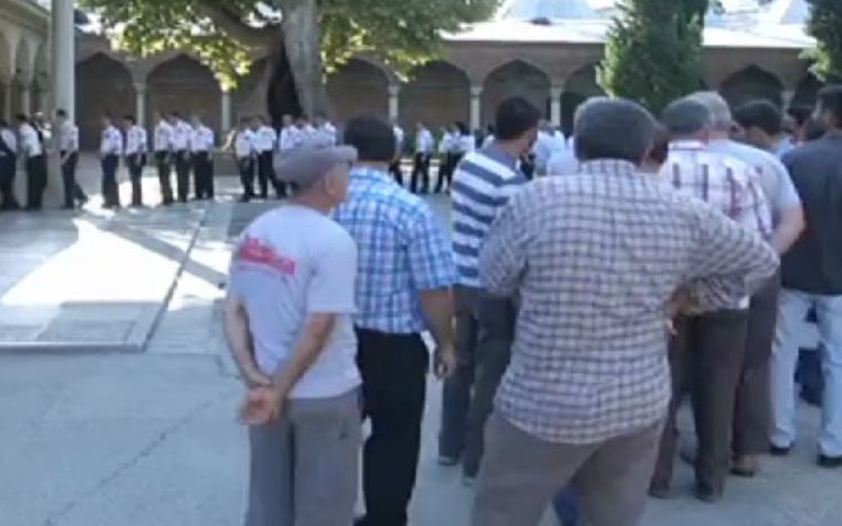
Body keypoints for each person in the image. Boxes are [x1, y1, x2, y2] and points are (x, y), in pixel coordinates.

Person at [472, 97, 778, 526]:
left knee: (502, 512)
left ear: (577, 148)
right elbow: (761, 260)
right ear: (643, 151)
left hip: (542, 401)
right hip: (635, 403)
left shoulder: (537, 200)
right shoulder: (681, 210)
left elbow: (494, 279)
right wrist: (690, 300)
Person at [224, 143, 362, 526]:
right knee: (325, 507)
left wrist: (254, 376)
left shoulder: (257, 231)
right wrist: (277, 391)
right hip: (324, 393)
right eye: (345, 171)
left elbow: (234, 310)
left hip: (266, 387)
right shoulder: (333, 241)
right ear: (328, 182)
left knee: (269, 505)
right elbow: (318, 328)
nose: (349, 178)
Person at [333, 115, 458, 526]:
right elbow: (434, 288)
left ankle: (323, 512)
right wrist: (446, 342)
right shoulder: (409, 210)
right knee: (394, 439)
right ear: (395, 154)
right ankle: (383, 518)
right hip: (393, 347)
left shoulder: (324, 204)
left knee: (330, 438)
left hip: (329, 341)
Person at [651, 97, 771, 503]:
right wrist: (728, 293)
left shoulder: (652, 172)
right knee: (719, 390)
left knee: (661, 389)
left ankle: (658, 476)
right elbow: (758, 249)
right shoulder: (740, 171)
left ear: (667, 131)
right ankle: (712, 479)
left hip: (663, 302)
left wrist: (678, 298)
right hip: (725, 306)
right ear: (707, 131)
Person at [693, 93, 805, 478]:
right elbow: (792, 220)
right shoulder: (765, 163)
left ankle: (700, 452)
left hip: (689, 278)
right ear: (731, 124)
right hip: (756, 273)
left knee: (694, 363)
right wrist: (764, 263)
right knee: (752, 362)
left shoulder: (673, 162)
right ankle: (745, 451)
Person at [439, 96, 540, 484]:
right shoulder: (510, 180)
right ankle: (476, 460)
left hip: (461, 275)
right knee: (490, 373)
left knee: (459, 364)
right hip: (492, 288)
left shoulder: (471, 162)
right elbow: (517, 241)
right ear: (530, 134)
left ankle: (450, 445)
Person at [773, 84, 842, 469]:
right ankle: (835, 444)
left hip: (793, 269)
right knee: (840, 358)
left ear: (832, 115)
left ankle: (778, 433)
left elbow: (778, 213)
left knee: (782, 352)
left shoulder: (796, 160)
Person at [56, 109, 88, 210]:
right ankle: (79, 197)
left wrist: (65, 158)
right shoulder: (63, 127)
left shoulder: (69, 127)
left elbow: (72, 144)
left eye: (58, 117)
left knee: (68, 179)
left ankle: (70, 202)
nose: (57, 120)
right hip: (67, 153)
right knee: (69, 179)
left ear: (62, 116)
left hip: (69, 154)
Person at [17, 113, 45, 210]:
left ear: (19, 121)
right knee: (36, 181)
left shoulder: (23, 129)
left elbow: (25, 145)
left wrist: (21, 157)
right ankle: (37, 203)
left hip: (32, 157)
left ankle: (31, 204)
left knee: (32, 182)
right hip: (38, 155)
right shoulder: (31, 128)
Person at [98, 115, 123, 209]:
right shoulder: (104, 132)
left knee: (110, 178)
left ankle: (113, 200)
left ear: (109, 120)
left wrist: (107, 152)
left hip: (112, 157)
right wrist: (100, 152)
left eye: (105, 120)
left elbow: (116, 146)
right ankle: (107, 199)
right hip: (105, 157)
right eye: (102, 120)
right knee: (106, 179)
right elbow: (104, 144)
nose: (103, 122)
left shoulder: (115, 132)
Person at [123, 115, 148, 208]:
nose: (124, 124)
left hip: (137, 155)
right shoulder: (128, 132)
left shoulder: (138, 130)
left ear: (130, 121)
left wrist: (139, 156)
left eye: (126, 122)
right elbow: (128, 146)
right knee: (133, 178)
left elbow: (142, 143)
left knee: (136, 178)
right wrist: (126, 157)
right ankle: (134, 199)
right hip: (131, 156)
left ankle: (138, 200)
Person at [190, 115, 215, 200]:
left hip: (204, 153)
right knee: (197, 175)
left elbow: (210, 144)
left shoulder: (206, 131)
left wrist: (210, 154)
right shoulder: (192, 132)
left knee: (207, 175)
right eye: (192, 120)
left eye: (194, 120)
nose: (193, 122)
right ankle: (198, 194)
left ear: (199, 121)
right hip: (195, 155)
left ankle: (209, 193)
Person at [0, 119, 19, 210]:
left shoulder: (1, 134)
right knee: (9, 183)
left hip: (4, 160)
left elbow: (0, 148)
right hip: (12, 160)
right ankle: (9, 202)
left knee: (4, 183)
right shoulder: (12, 135)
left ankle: (7, 202)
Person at [171, 111, 194, 203]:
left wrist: (187, 152)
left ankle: (184, 195)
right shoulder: (173, 128)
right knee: (178, 174)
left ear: (177, 118)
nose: (171, 120)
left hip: (184, 151)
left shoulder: (186, 127)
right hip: (176, 153)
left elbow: (190, 140)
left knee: (184, 174)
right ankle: (180, 194)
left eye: (172, 118)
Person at [153, 113, 175, 206]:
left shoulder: (167, 128)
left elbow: (171, 143)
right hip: (158, 153)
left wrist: (168, 156)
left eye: (156, 117)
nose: (154, 119)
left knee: (166, 176)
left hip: (165, 152)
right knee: (161, 176)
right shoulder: (156, 128)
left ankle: (168, 197)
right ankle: (164, 196)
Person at [235, 117, 257, 203]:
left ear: (246, 124)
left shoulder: (250, 134)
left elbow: (253, 147)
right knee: (243, 177)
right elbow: (238, 146)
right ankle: (247, 192)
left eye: (243, 124)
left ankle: (247, 195)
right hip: (241, 157)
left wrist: (249, 158)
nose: (241, 126)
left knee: (247, 177)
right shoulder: (239, 134)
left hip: (248, 157)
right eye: (240, 124)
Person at [410, 120, 433, 194]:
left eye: (418, 125)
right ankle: (413, 187)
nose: (417, 126)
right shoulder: (418, 134)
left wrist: (425, 155)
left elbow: (429, 145)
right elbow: (417, 145)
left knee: (424, 171)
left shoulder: (427, 134)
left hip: (424, 153)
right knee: (415, 171)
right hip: (418, 153)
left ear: (423, 125)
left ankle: (425, 187)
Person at [389, 121, 405, 185]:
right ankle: (399, 182)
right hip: (393, 151)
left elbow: (399, 143)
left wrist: (397, 155)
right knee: (394, 168)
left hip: (395, 151)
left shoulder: (397, 131)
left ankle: (399, 182)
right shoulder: (397, 130)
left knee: (394, 168)